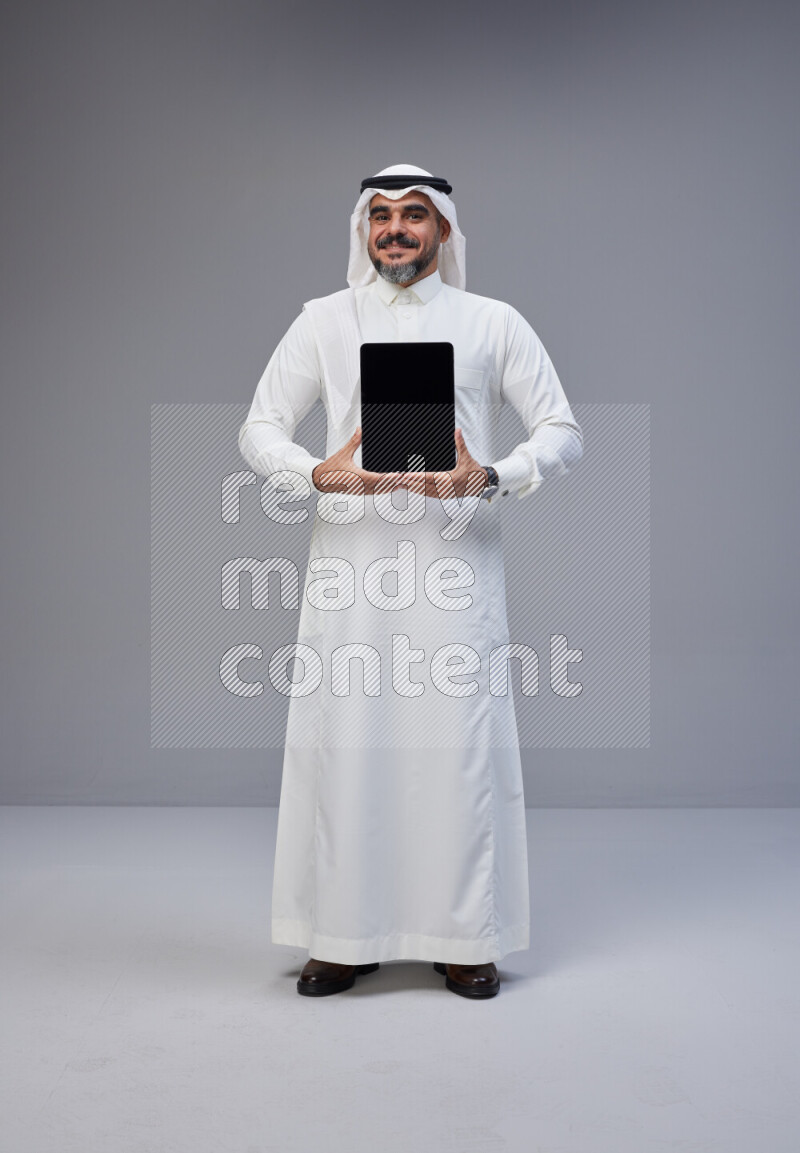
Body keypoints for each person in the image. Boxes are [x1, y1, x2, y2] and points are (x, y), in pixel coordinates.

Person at [238, 164, 583, 999]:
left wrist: (490, 474)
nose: (395, 229)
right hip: (350, 572)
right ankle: (342, 937)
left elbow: (563, 431)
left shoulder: (492, 322)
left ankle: (464, 937)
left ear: (444, 231)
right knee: (348, 744)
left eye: (414, 215)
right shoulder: (323, 321)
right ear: (363, 228)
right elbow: (258, 429)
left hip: (455, 568)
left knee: (455, 751)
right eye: (381, 216)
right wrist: (320, 474)